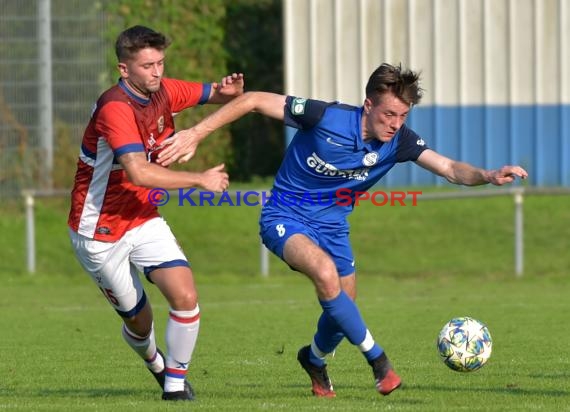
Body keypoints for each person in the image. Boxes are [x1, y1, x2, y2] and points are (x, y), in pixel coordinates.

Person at [157, 63, 528, 398]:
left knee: (343, 304)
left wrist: (488, 175)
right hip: (285, 216)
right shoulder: (324, 116)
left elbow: (448, 168)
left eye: (402, 116)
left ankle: (314, 359)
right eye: (389, 114)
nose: (396, 124)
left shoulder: (399, 142)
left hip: (333, 227)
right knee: (324, 272)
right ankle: (379, 362)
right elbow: (253, 99)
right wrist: (196, 133)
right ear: (368, 106)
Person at [67, 25, 244, 401]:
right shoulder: (114, 107)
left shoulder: (164, 89)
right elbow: (138, 171)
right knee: (139, 321)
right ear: (124, 69)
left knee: (185, 295)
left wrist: (230, 90)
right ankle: (156, 364)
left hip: (143, 216)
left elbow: (216, 94)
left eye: (160, 63)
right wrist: (199, 179)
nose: (157, 72)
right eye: (147, 66)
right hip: (98, 230)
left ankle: (175, 388)